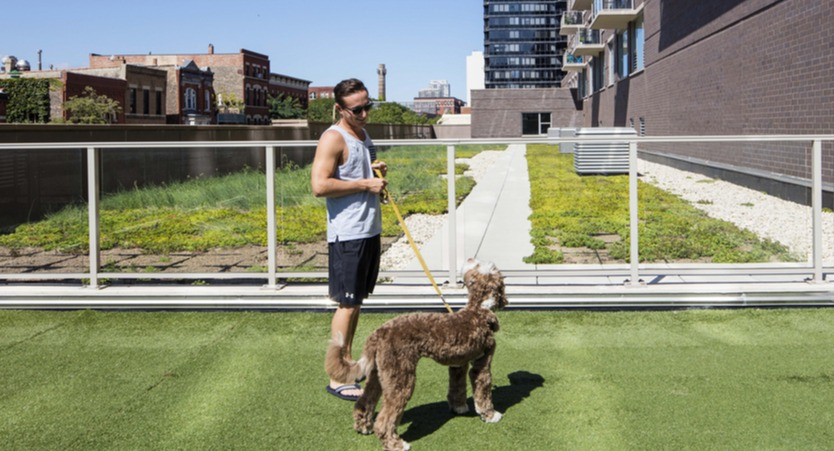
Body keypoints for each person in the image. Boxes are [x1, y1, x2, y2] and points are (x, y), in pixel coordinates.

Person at [311, 78, 387, 401]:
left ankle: (349, 366)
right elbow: (319, 186)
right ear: (340, 109)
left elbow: (358, 173)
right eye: (358, 109)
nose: (365, 114)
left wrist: (375, 170)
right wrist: (364, 184)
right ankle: (336, 376)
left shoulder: (362, 134)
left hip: (369, 229)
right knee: (346, 303)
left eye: (368, 106)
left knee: (356, 303)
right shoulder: (333, 138)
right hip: (348, 234)